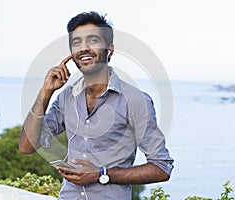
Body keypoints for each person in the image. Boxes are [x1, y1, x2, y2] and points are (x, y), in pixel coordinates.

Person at [19, 11, 174, 200]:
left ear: (110, 49)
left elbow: (161, 168)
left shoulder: (135, 100)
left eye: (93, 40)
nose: (84, 48)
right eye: (77, 43)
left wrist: (101, 174)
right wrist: (46, 92)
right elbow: (27, 147)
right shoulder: (66, 97)